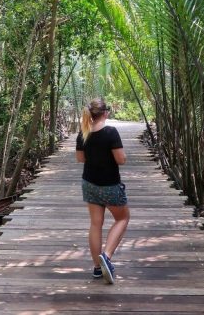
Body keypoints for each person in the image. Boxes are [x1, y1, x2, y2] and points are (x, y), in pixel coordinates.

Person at [76, 98, 130, 284]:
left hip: (89, 183)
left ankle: (97, 269)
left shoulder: (83, 133)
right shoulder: (110, 132)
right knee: (122, 218)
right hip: (109, 185)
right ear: (105, 113)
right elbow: (121, 159)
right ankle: (106, 256)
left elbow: (80, 159)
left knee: (95, 224)